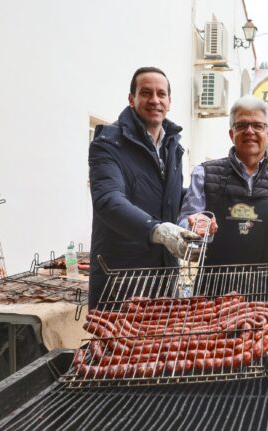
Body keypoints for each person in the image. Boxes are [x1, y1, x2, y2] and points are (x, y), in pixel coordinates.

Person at [178, 96, 268, 324]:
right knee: (212, 358)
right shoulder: (204, 174)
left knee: (263, 359)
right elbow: (183, 231)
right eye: (241, 125)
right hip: (212, 296)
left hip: (267, 297)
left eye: (258, 125)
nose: (250, 131)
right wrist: (192, 227)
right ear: (231, 133)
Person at [88, 67, 200, 308]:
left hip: (164, 278)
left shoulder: (172, 146)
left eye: (161, 94)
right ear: (132, 99)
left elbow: (168, 198)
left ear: (169, 102)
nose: (155, 100)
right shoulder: (108, 143)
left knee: (162, 345)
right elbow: (108, 200)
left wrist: (198, 204)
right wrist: (157, 230)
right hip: (121, 281)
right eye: (146, 93)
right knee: (116, 346)